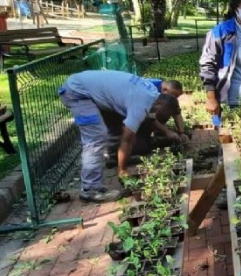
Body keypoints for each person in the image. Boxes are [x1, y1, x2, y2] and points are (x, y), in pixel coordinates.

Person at [59, 71, 184, 202]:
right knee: (96, 139)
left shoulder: (152, 93)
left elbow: (150, 117)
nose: (161, 119)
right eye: (162, 116)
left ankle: (113, 159)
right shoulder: (141, 104)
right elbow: (127, 140)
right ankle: (91, 190)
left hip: (88, 87)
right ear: (158, 105)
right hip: (78, 92)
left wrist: (168, 132)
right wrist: (123, 171)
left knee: (112, 124)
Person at [104, 79, 185, 167]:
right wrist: (166, 132)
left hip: (128, 109)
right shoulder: (146, 95)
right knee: (129, 134)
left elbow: (174, 113)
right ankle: (115, 156)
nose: (175, 97)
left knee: (143, 142)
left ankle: (143, 143)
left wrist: (181, 132)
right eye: (173, 95)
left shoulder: (156, 96)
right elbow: (148, 117)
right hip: (113, 108)